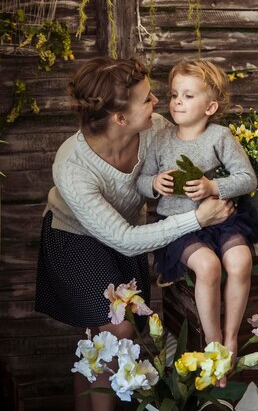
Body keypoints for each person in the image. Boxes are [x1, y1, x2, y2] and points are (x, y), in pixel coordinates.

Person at [34, 56, 235, 411]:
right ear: (120, 118)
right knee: (118, 331)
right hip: (75, 240)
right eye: (146, 98)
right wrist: (198, 220)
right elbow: (124, 238)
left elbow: (203, 156)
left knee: (100, 339)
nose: (158, 101)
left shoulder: (155, 129)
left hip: (128, 237)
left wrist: (243, 190)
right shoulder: (73, 165)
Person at [137, 59, 258, 381]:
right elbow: (141, 180)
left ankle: (231, 336)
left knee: (241, 259)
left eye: (189, 96)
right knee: (208, 266)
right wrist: (153, 183)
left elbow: (247, 178)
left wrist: (212, 186)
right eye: (175, 94)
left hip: (220, 220)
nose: (177, 101)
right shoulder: (160, 139)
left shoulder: (220, 136)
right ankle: (212, 340)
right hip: (180, 228)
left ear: (210, 107)